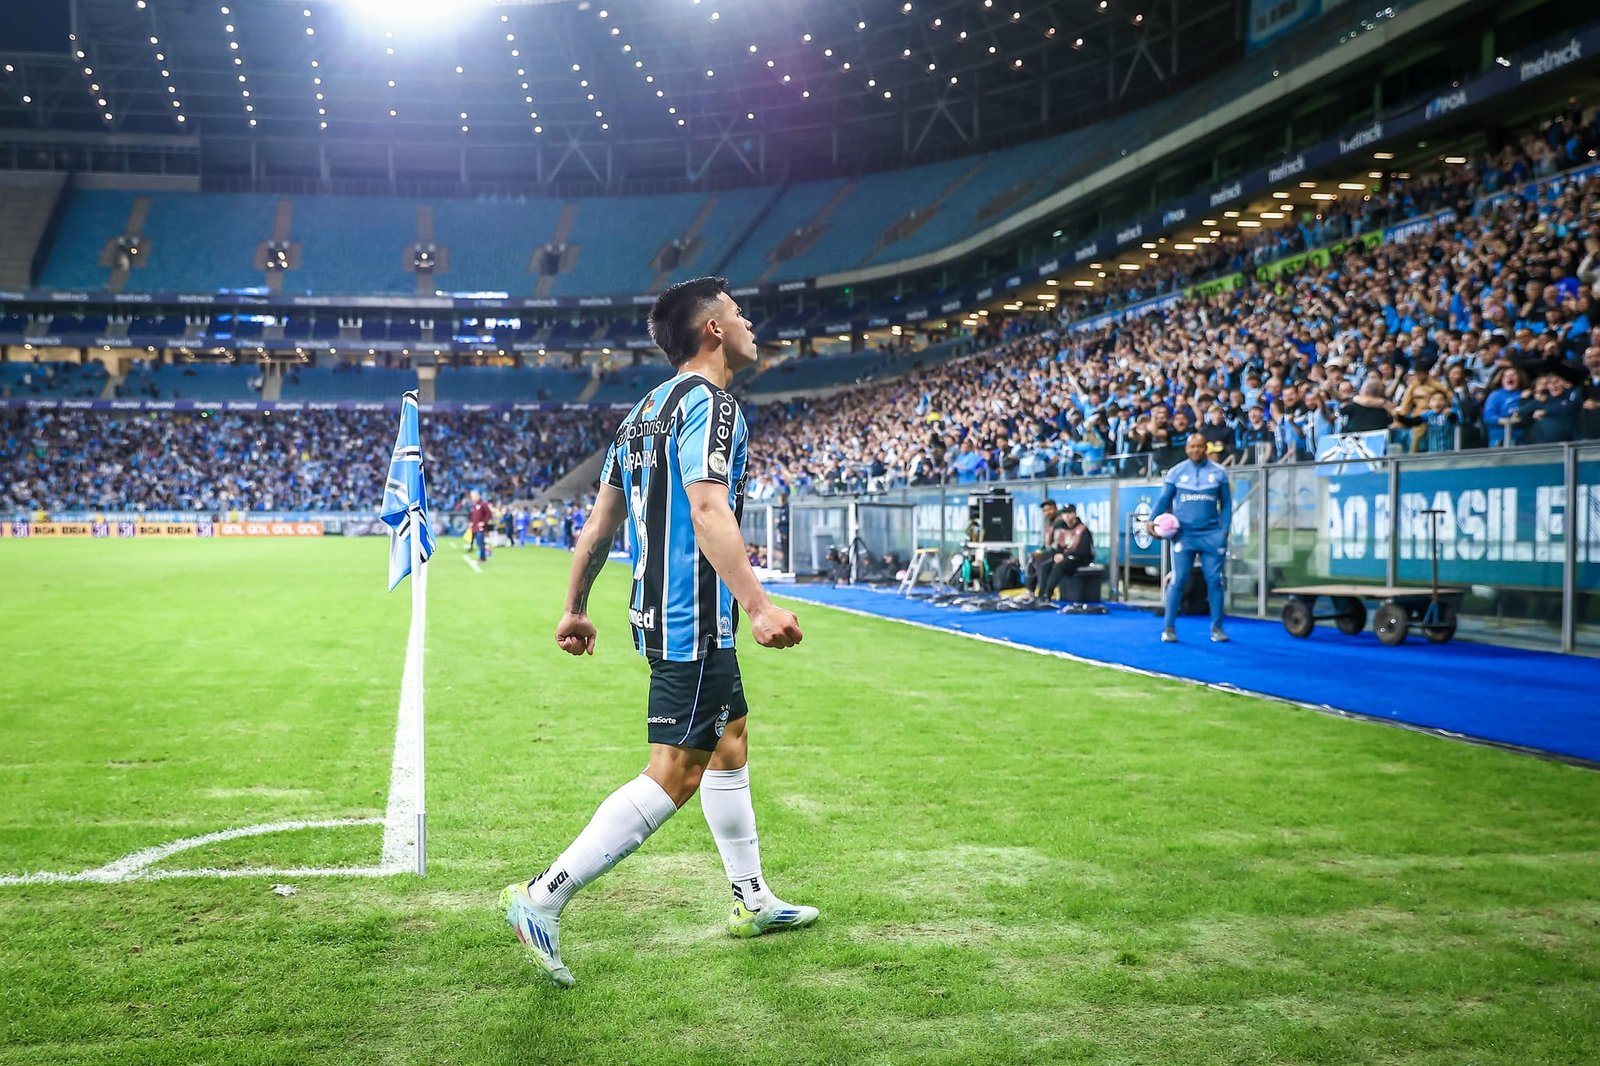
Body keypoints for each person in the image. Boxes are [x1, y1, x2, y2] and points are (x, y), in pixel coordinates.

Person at [501, 277, 815, 989]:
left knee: (730, 737)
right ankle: (541, 897)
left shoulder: (640, 413)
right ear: (712, 330)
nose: (748, 323)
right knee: (675, 771)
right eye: (737, 314)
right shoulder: (713, 406)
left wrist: (574, 606)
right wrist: (759, 606)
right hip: (692, 618)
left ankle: (752, 897)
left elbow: (599, 525)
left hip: (659, 613)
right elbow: (708, 511)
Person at [1155, 433, 1232, 643]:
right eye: (1192, 447)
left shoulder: (1219, 473)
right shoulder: (1176, 472)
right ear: (1187, 449)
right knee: (1178, 580)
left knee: (1215, 581)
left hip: (1211, 535)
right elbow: (1163, 501)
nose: (1196, 450)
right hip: (1184, 535)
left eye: (1199, 447)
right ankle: (1169, 628)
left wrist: (1224, 532)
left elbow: (1226, 505)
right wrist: (1151, 522)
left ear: (1205, 448)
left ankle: (1217, 628)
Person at [1039, 503, 1095, 602]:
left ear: (1074, 514)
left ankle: (1047, 595)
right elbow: (1059, 546)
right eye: (1064, 513)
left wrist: (1064, 555)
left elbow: (1083, 551)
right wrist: (1057, 554)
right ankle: (1040, 595)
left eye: (1069, 513)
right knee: (1045, 566)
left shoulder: (1083, 530)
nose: (1067, 516)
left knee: (1059, 566)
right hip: (1066, 557)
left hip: (1080, 558)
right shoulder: (1063, 529)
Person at [1023, 499, 1068, 599]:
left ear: (1055, 508)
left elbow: (1057, 545)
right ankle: (1030, 591)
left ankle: (1043, 595)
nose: (1047, 513)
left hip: (1059, 552)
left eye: (1049, 509)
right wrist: (1040, 551)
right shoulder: (1049, 522)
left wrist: (1042, 553)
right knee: (1032, 560)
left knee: (1042, 563)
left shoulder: (1060, 522)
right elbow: (1047, 543)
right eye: (1045, 510)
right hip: (1050, 551)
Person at [467, 490, 492, 562]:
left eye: (473, 497)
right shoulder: (474, 505)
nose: (472, 498)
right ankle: (481, 557)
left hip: (480, 528)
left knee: (481, 542)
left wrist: (483, 522)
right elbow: (472, 515)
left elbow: (489, 514)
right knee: (478, 542)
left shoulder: (483, 504)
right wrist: (471, 522)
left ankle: (482, 558)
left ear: (477, 496)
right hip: (474, 527)